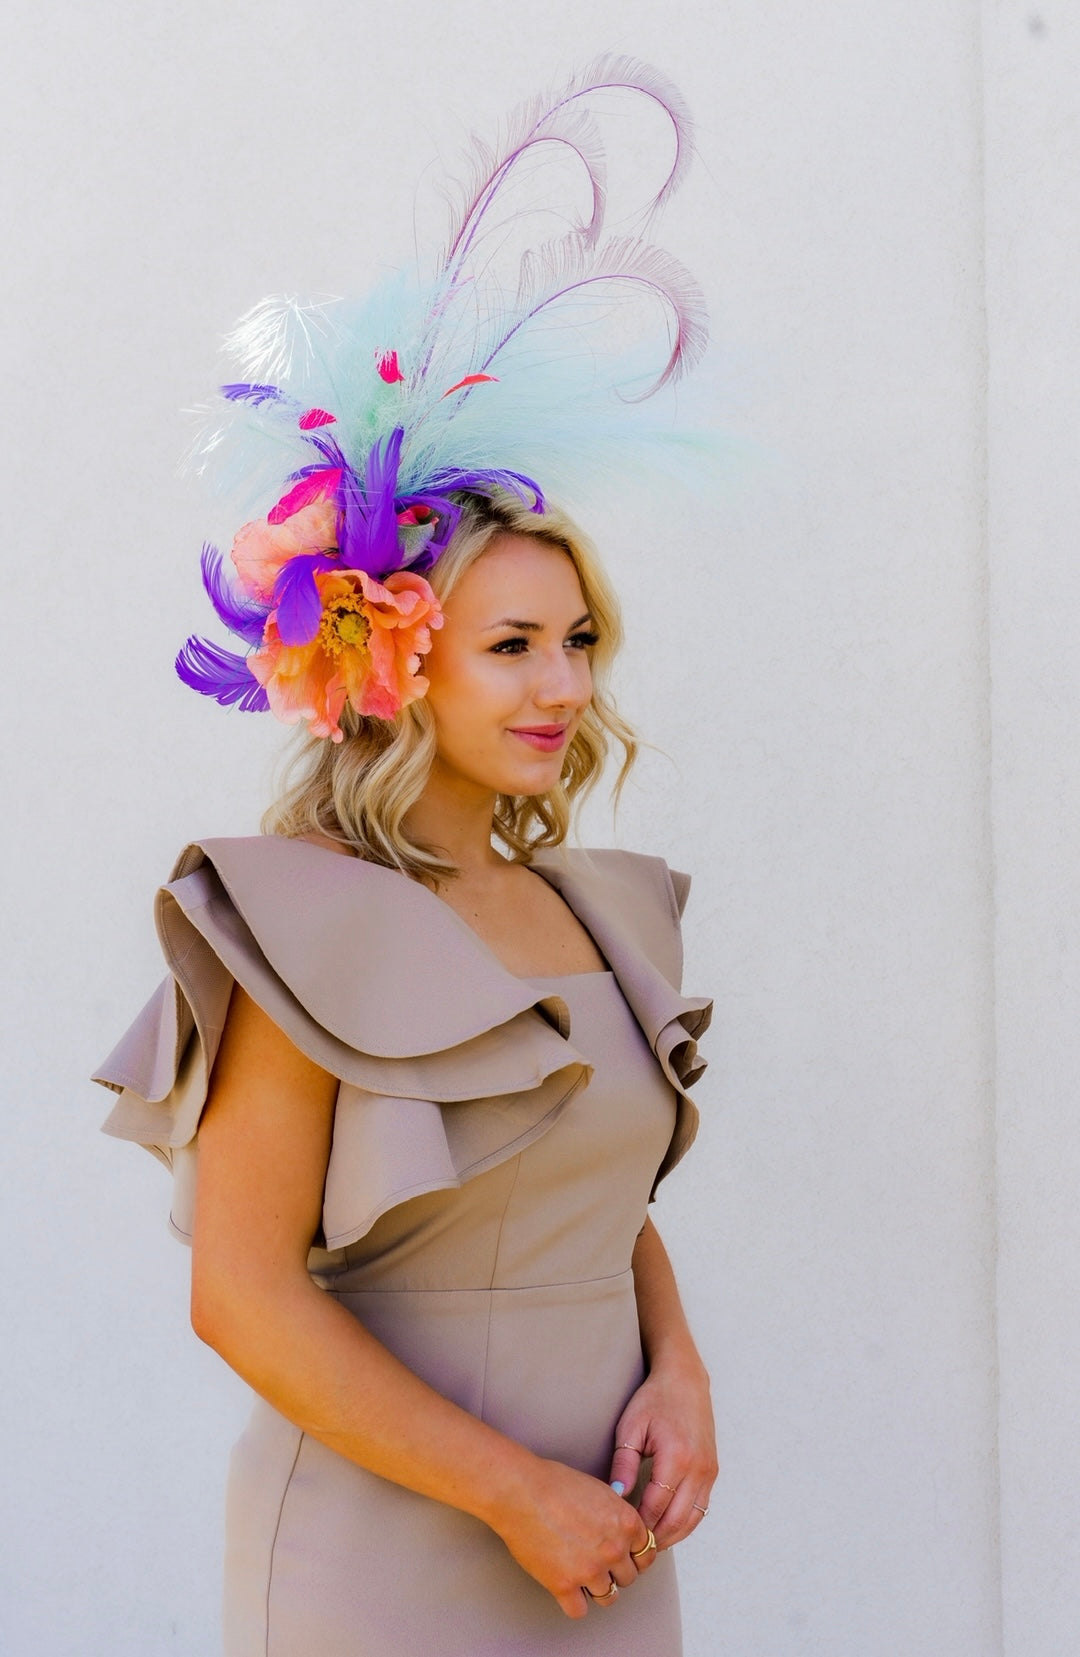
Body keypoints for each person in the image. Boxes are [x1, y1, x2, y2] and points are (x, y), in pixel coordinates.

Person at [94, 59, 718, 1654]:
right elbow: (240, 1294)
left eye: (579, 639)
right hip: (392, 1548)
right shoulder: (301, 919)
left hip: (603, 1533)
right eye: (511, 643)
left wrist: (682, 1364)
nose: (565, 684)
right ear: (401, 662)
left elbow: (591, 1179)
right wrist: (514, 1491)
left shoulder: (596, 910)